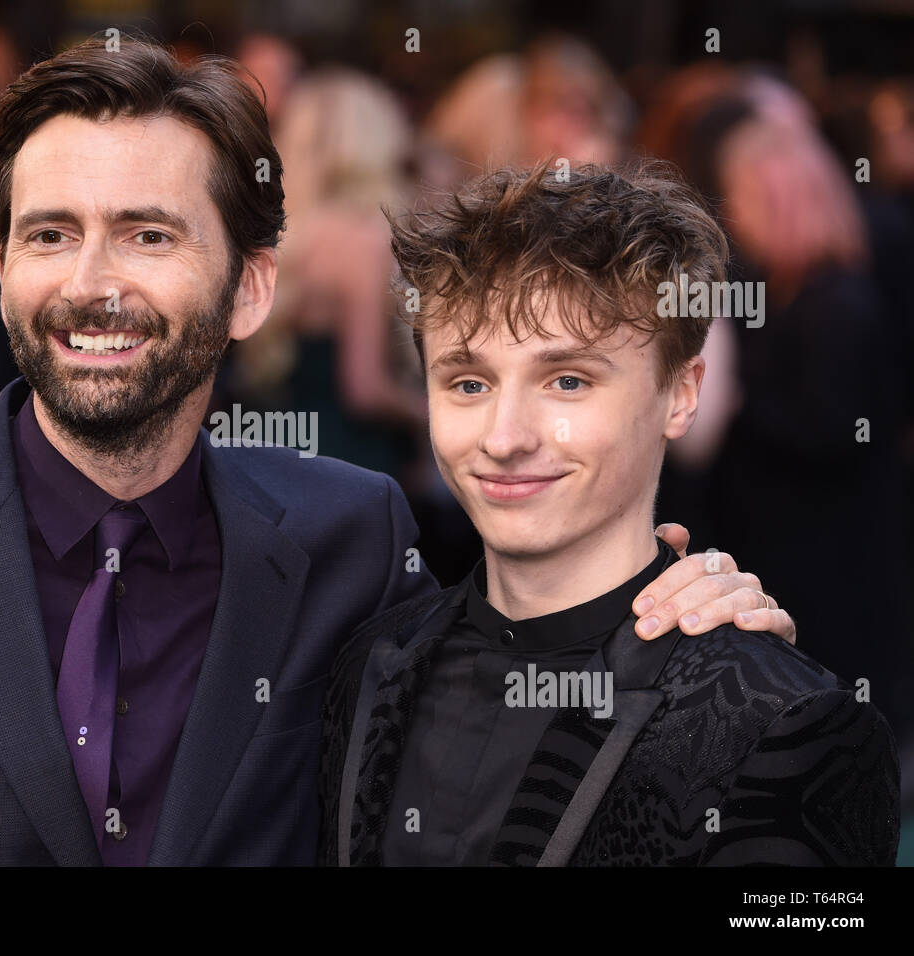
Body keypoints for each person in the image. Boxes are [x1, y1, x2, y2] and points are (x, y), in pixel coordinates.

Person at [0, 37, 795, 868]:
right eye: (49, 234)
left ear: (249, 287)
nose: (89, 282)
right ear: (1, 270)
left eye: (146, 233)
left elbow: (499, 725)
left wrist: (680, 618)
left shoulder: (348, 530)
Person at [320, 160, 899, 866]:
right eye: (469, 382)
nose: (505, 437)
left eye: (567, 381)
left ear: (681, 394)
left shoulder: (787, 723)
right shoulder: (364, 668)